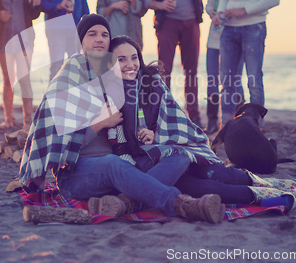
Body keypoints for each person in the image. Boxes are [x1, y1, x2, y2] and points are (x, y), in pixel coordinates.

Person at [19, 14, 225, 224]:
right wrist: (101, 123)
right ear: (80, 41)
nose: (99, 38)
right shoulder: (69, 79)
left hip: (121, 166)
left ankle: (124, 203)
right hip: (76, 175)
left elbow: (131, 124)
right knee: (111, 163)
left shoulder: (112, 75)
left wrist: (151, 133)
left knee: (180, 155)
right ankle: (182, 204)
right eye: (92, 34)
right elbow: (61, 148)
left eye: (104, 35)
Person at [104, 35, 296, 209]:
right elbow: (117, 141)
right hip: (151, 166)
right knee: (205, 188)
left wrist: (155, 135)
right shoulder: (109, 93)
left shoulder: (151, 82)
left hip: (171, 150)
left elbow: (172, 118)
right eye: (121, 59)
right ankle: (273, 197)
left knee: (219, 174)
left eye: (134, 57)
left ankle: (274, 185)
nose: (130, 64)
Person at [145, 0, 216, 129]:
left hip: (191, 23)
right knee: (163, 71)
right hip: (167, 23)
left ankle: (194, 116)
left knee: (191, 71)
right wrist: (161, 5)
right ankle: (166, 113)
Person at [216, 0, 280, 127]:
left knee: (254, 81)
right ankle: (228, 126)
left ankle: (255, 127)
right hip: (228, 30)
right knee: (227, 82)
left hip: (254, 27)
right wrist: (219, 12)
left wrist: (243, 10)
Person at [0, 0, 41, 129]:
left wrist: (37, 4)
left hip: (24, 38)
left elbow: (35, 14)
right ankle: (8, 119)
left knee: (24, 79)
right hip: (4, 37)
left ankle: (28, 120)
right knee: (8, 80)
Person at [205, 0, 244, 134]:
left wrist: (225, 15)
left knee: (233, 80)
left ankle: (240, 120)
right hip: (214, 37)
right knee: (212, 79)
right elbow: (209, 4)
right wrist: (213, 14)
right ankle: (212, 121)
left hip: (234, 36)